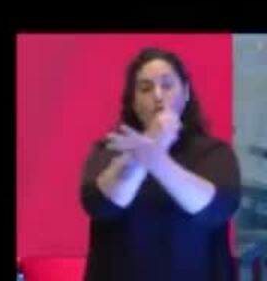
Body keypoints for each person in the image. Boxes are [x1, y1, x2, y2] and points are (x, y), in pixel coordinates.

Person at [80, 47, 241, 281]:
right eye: (145, 88)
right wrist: (149, 144)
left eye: (167, 85)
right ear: (134, 102)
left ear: (185, 93)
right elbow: (104, 205)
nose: (157, 95)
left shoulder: (214, 153)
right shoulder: (112, 149)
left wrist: (156, 158)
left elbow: (213, 209)